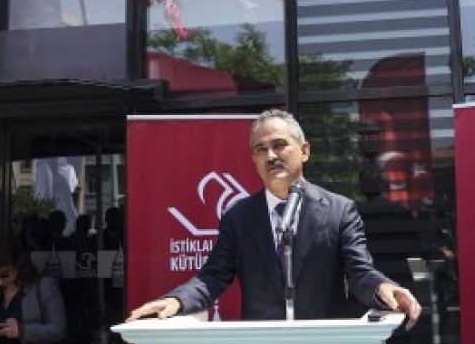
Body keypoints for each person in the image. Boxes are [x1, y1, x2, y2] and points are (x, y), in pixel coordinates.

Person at [127, 109, 421, 327]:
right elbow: (212, 277)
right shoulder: (238, 218)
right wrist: (176, 300)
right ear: (254, 161)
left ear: (304, 151)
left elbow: (359, 273)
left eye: (279, 145)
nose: (270, 155)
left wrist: (385, 288)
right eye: (260, 149)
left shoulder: (339, 210)